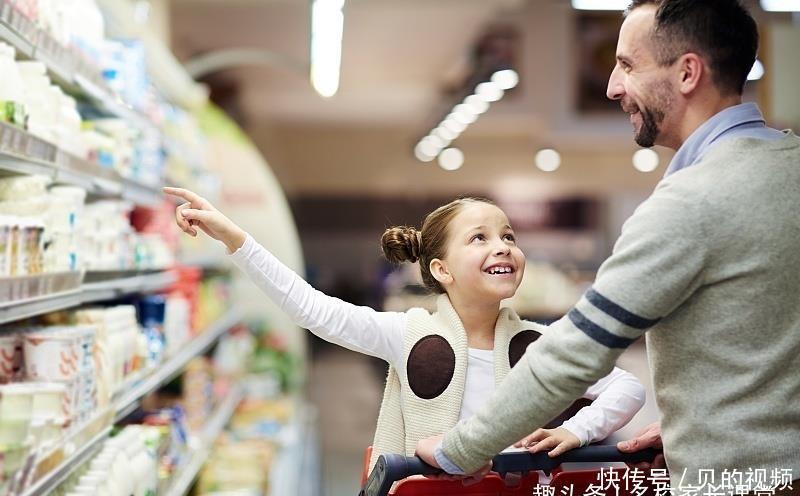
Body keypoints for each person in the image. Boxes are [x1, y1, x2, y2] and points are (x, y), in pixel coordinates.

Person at [415, 0, 800, 494]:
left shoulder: (689, 203)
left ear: (687, 73)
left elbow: (575, 354)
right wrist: (702, 430)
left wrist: (458, 449)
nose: (612, 86)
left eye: (627, 65)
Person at [163, 189, 646, 474]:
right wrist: (235, 238)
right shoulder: (406, 335)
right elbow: (313, 309)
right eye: (479, 238)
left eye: (508, 237)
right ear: (442, 269)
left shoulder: (539, 345)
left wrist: (575, 431)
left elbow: (627, 386)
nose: (502, 247)